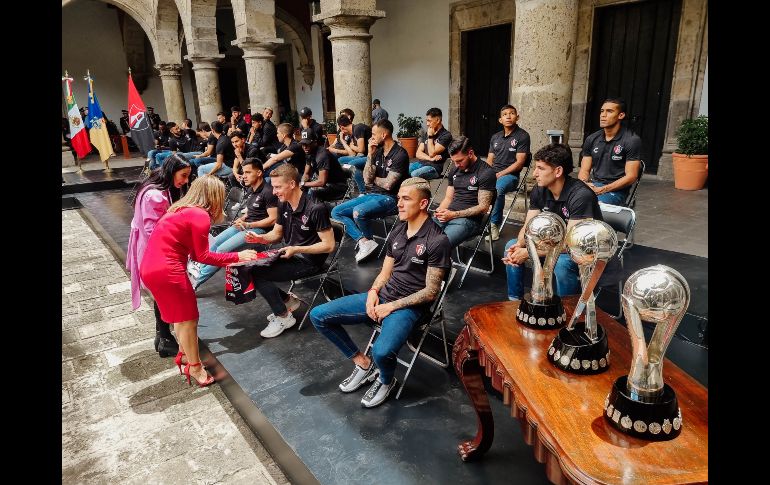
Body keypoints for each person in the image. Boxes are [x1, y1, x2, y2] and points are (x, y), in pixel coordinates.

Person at [310, 177, 451, 408]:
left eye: (406, 199)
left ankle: (386, 381)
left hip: (409, 307)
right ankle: (363, 364)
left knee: (382, 352)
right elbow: (385, 273)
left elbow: (430, 292)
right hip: (384, 296)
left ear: (423, 203)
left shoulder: (437, 240)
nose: (399, 204)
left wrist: (391, 306)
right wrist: (374, 291)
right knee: (318, 316)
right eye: (398, 198)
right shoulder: (398, 231)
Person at [139, 176, 258, 386]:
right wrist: (237, 256)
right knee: (189, 319)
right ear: (215, 195)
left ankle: (185, 355)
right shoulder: (200, 215)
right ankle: (194, 367)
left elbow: (195, 254)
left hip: (150, 268)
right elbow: (202, 256)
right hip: (169, 271)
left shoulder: (179, 209)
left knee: (180, 318)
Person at [243, 164, 336, 338]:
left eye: (278, 187)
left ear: (292, 184)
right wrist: (261, 238)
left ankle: (283, 316)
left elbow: (329, 245)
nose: (274, 192)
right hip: (290, 253)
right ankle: (287, 301)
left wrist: (297, 249)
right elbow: (277, 233)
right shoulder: (283, 203)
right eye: (274, 187)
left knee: (257, 272)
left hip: (309, 261)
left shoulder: (316, 208)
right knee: (248, 266)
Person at [503, 143, 603, 301]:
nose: (534, 174)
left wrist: (530, 252)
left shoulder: (581, 195)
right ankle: (514, 302)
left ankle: (568, 307)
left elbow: (572, 243)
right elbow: (528, 226)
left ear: (558, 171)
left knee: (562, 264)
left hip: (585, 250)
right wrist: (520, 244)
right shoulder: (539, 189)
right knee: (511, 246)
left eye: (540, 168)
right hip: (552, 243)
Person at [127, 154, 192, 358]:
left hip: (152, 246)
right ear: (172, 172)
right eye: (183, 175)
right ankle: (164, 337)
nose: (185, 181)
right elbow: (152, 229)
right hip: (153, 248)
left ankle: (163, 337)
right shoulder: (155, 195)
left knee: (161, 293)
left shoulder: (157, 187)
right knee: (163, 292)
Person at [331, 119, 410, 263]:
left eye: (373, 134)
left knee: (359, 211)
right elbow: (367, 179)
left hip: (392, 199)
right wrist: (370, 155)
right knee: (336, 212)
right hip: (372, 194)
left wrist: (373, 179)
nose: (371, 138)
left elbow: (388, 185)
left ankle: (368, 243)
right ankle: (364, 241)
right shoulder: (377, 151)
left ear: (384, 134)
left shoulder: (400, 154)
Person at [194, 158, 278, 289]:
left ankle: (194, 283)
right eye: (243, 172)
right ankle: (194, 274)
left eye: (248, 172)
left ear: (259, 173)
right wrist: (242, 219)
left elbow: (273, 219)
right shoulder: (251, 189)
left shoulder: (268, 192)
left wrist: (249, 225)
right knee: (214, 243)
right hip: (246, 225)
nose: (244, 176)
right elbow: (252, 211)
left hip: (259, 230)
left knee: (222, 250)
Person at [433, 136, 496, 248]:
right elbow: (448, 198)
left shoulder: (485, 172)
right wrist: (440, 211)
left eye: (459, 161)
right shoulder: (455, 170)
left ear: (470, 153)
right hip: (448, 215)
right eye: (453, 161)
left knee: (440, 246)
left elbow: (483, 207)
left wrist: (453, 215)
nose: (456, 165)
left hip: (469, 221)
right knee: (421, 239)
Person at [578, 97, 642, 205]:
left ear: (621, 115)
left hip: (616, 191)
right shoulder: (592, 139)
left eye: (609, 111)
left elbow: (631, 176)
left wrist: (603, 189)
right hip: (594, 185)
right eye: (602, 111)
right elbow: (584, 170)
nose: (603, 115)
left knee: (591, 205)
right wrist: (585, 183)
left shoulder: (631, 140)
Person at [485, 104, 531, 241]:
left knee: (497, 188)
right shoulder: (495, 137)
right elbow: (489, 160)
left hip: (511, 177)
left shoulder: (522, 136)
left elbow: (519, 163)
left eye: (512, 113)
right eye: (505, 114)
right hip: (494, 174)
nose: (508, 116)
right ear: (500, 120)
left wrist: (500, 174)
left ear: (517, 117)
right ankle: (475, 220)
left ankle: (494, 225)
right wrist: (486, 174)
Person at [299, 132, 348, 202]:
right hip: (327, 184)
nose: (304, 147)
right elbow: (306, 173)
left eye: (307, 144)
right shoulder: (309, 153)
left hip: (338, 187)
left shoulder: (322, 156)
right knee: (302, 190)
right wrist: (302, 183)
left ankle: (317, 208)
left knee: (312, 192)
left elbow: (322, 182)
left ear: (315, 142)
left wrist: (303, 184)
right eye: (303, 144)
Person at [409, 107, 453, 181]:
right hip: (421, 163)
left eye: (429, 121)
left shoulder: (446, 135)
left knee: (414, 174)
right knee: (402, 169)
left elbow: (432, 153)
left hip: (434, 168)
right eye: (427, 121)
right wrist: (430, 159)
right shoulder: (427, 133)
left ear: (438, 120)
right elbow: (418, 153)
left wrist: (430, 137)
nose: (427, 124)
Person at [331, 114, 372, 192]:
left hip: (372, 156)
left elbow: (361, 149)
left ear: (341, 127)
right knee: (340, 160)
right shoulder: (352, 133)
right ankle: (345, 185)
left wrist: (352, 146)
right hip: (361, 156)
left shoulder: (358, 128)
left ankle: (363, 191)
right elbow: (352, 154)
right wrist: (343, 141)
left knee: (352, 164)